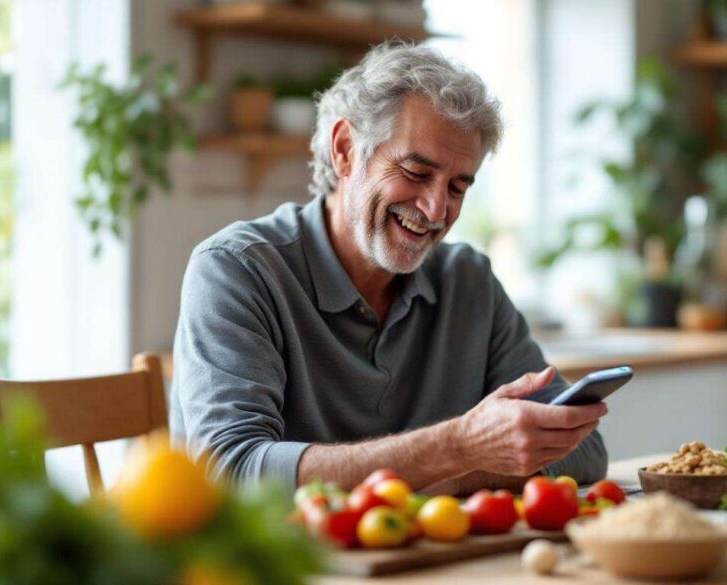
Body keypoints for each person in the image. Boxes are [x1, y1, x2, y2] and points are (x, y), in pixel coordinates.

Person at [171, 43, 608, 494]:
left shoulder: (468, 281)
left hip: (421, 540)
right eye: (416, 173)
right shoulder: (237, 270)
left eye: (457, 188)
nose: (436, 209)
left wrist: (440, 470)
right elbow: (231, 472)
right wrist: (457, 449)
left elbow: (583, 448)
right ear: (345, 150)